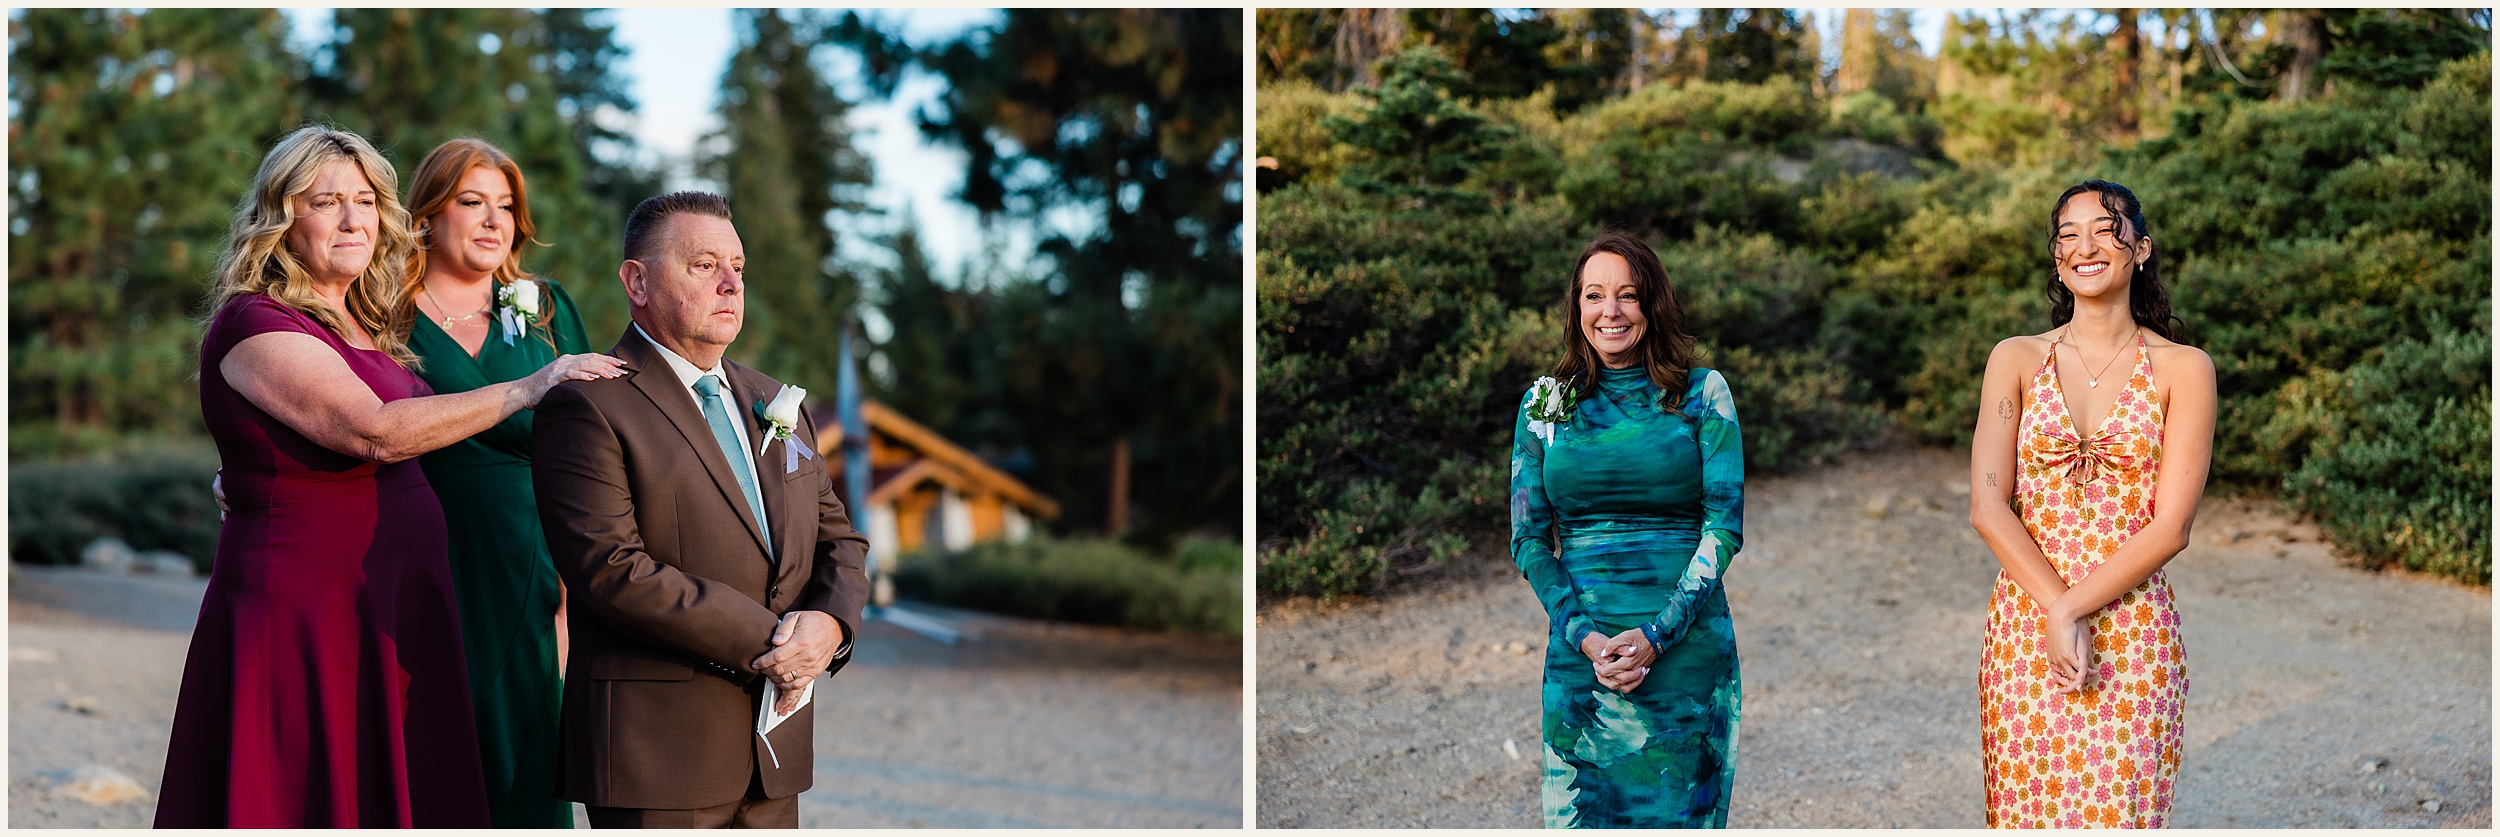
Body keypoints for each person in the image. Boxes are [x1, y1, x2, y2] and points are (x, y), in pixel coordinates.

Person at [156, 124, 625, 827]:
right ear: (282, 218)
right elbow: (371, 429)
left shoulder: (363, 321)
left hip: (391, 602)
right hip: (309, 610)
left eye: (367, 200)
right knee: (306, 793)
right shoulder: (256, 320)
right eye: (326, 201)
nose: (353, 218)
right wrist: (531, 386)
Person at [533, 191, 872, 828]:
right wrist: (776, 643)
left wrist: (830, 627)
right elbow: (609, 569)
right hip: (655, 751)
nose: (729, 284)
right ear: (636, 281)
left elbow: (839, 538)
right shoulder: (588, 405)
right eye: (703, 265)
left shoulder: (776, 402)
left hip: (773, 747)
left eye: (738, 268)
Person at [1969, 180, 2216, 828]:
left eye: (2106, 229)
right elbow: (1988, 506)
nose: (2086, 245)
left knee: (2120, 813)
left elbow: (2174, 525)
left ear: (2141, 248)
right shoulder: (2015, 358)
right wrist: (2055, 608)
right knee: (2026, 812)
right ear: (2056, 258)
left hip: (2133, 631)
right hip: (2025, 626)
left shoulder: (2184, 368)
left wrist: (2072, 609)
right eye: (2068, 234)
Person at [1509, 231, 1745, 828]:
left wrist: (1657, 635)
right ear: (1576, 307)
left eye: (1628, 295)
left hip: (1684, 648)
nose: (1609, 311)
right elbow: (1529, 538)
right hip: (1581, 655)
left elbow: (1724, 526)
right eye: (1594, 295)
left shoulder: (1701, 393)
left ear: (1653, 305)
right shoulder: (1546, 402)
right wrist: (1587, 638)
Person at [398, 137, 593, 828]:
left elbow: (589, 440)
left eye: (505, 206)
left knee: (530, 752)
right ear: (425, 214)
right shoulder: (384, 313)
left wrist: (582, 568)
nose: (493, 221)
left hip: (533, 559)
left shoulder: (544, 309)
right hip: (424, 558)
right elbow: (339, 408)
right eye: (471, 202)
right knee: (428, 750)